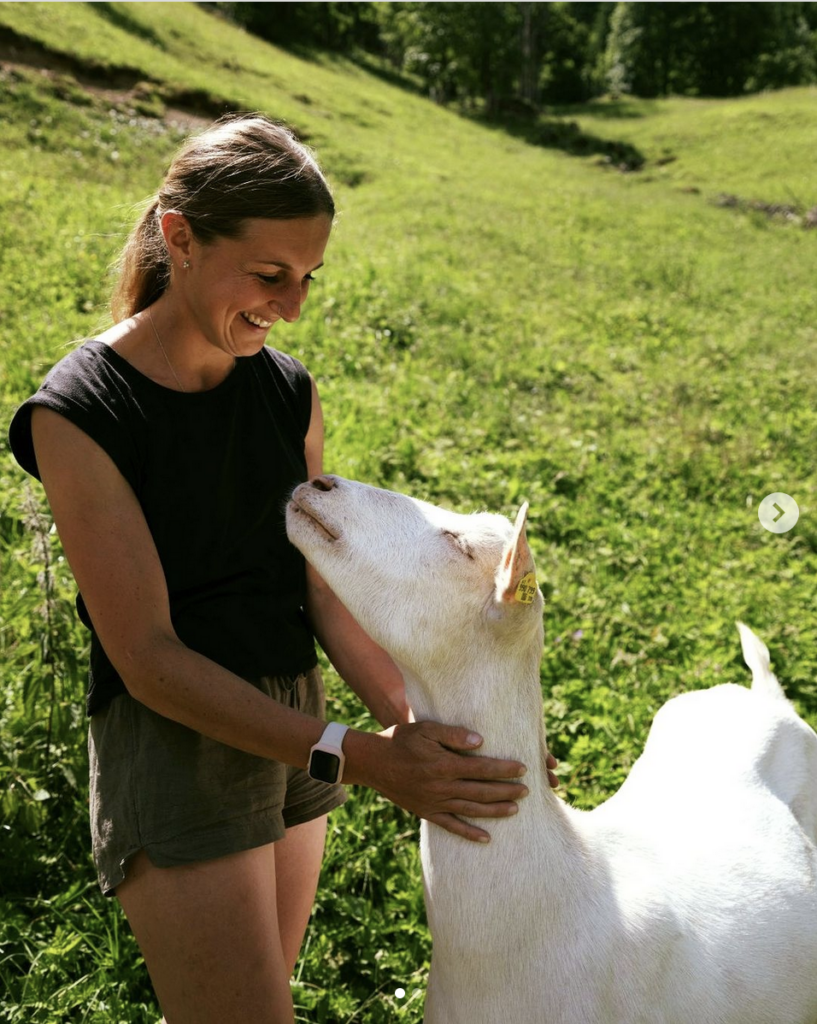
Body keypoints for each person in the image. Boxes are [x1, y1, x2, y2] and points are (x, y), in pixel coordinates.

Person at [9, 113, 556, 1024]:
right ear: (179, 239)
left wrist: (434, 733)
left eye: (307, 278)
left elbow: (325, 600)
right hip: (177, 736)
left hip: (296, 723)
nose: (292, 304)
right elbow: (146, 656)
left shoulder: (286, 387)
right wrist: (367, 762)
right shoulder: (79, 411)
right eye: (269, 275)